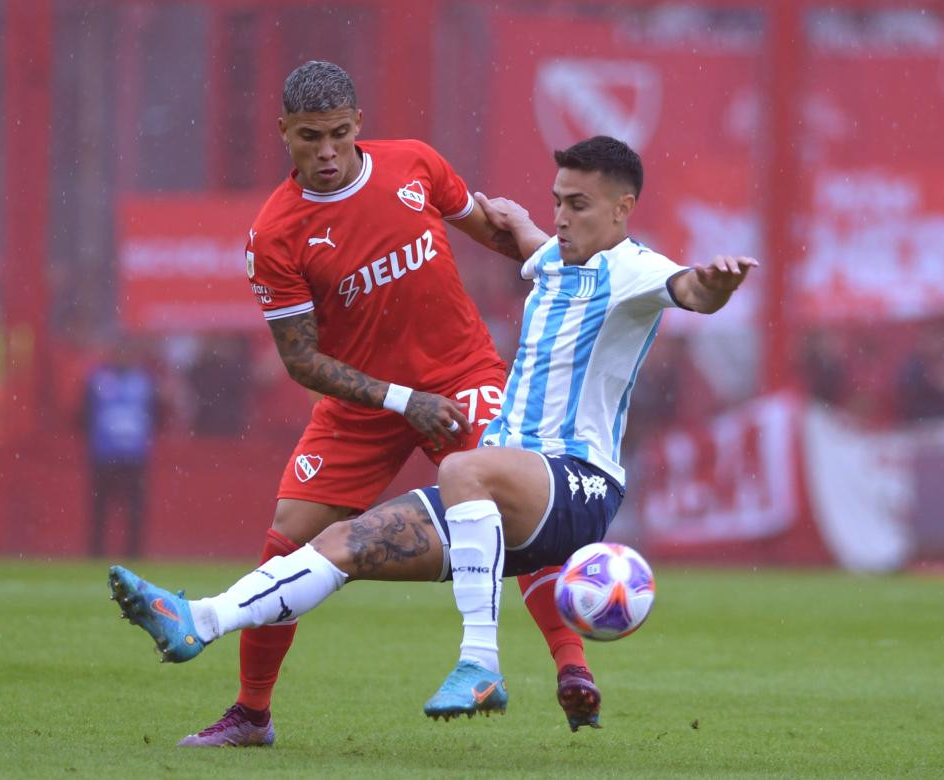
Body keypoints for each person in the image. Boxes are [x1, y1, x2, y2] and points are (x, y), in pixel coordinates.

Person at [110, 135, 757, 731]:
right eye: (557, 201)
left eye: (578, 205)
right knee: (337, 544)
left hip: (576, 483)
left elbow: (688, 289)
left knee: (466, 468)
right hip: (507, 479)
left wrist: (714, 283)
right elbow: (541, 254)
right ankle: (200, 621)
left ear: (623, 210)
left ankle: (482, 664)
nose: (561, 216)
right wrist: (525, 224)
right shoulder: (557, 263)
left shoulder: (636, 269)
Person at [167, 59, 599, 747]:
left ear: (360, 123)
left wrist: (554, 258)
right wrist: (404, 401)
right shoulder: (275, 235)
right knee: (287, 537)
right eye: (311, 137)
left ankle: (572, 668)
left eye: (340, 133)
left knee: (506, 491)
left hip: (461, 374)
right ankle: (252, 714)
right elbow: (301, 360)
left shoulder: (415, 166)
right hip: (364, 401)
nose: (329, 151)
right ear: (283, 131)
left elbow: (490, 234)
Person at [80, 335, 162, 558]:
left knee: (134, 510)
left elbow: (157, 413)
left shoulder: (143, 380)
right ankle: (96, 553)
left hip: (134, 455)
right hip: (105, 453)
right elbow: (83, 414)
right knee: (100, 509)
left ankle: (133, 553)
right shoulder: (97, 379)